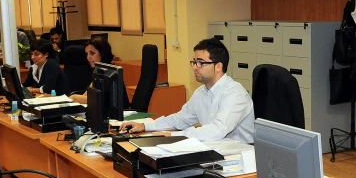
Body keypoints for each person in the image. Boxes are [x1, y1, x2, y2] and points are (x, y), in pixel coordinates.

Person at [118, 38, 254, 143]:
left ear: (218, 67)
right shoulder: (201, 92)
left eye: (201, 62)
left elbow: (216, 131)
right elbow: (180, 119)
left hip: (239, 154)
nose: (195, 67)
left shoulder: (235, 94)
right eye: (194, 62)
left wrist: (173, 135)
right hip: (215, 147)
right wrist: (145, 126)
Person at [69, 37, 114, 104]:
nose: (88, 57)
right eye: (87, 54)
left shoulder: (111, 73)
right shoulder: (98, 71)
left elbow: (98, 99)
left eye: (92, 53)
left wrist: (74, 98)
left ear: (102, 54)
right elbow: (87, 95)